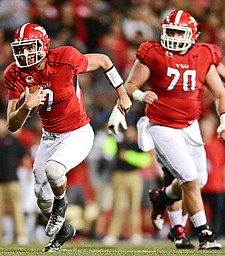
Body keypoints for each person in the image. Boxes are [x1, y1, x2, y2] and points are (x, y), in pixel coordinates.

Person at [108, 10, 225, 249]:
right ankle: (203, 233)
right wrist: (139, 94)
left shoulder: (203, 54)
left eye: (180, 32)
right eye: (170, 32)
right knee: (189, 178)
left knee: (197, 181)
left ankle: (164, 197)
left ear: (194, 35)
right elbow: (128, 85)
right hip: (162, 125)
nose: (174, 37)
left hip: (191, 126)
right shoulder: (153, 52)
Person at [3, 23, 131, 252]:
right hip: (49, 137)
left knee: (54, 170)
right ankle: (64, 232)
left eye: (29, 48)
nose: (24, 54)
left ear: (43, 46)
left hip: (78, 132)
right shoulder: (14, 73)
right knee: (41, 198)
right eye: (19, 49)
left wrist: (122, 94)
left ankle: (61, 205)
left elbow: (103, 60)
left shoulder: (65, 57)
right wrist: (25, 108)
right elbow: (12, 124)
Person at [0, 116, 29, 244]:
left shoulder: (13, 141)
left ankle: (20, 235)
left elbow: (24, 156)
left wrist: (28, 172)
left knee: (16, 208)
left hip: (12, 180)